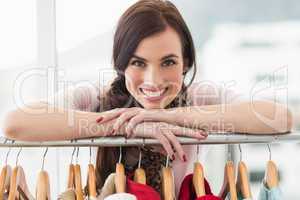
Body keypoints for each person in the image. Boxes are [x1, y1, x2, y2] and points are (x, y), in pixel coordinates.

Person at [2, 0, 292, 197]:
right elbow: (14, 123)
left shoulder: (201, 98)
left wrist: (168, 116)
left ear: (186, 63)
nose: (153, 80)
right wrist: (129, 125)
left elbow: (282, 118)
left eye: (168, 63)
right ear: (121, 65)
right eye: (139, 63)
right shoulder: (95, 98)